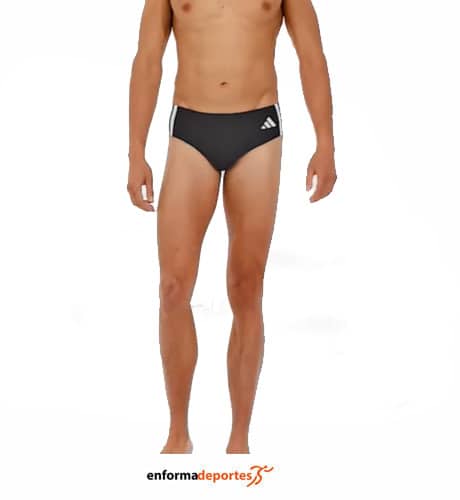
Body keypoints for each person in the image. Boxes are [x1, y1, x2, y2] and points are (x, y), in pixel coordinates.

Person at [127, 0, 337, 454]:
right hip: (190, 128)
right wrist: (136, 151)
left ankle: (239, 441)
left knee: (246, 288)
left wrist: (326, 143)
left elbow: (311, 54)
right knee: (172, 288)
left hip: (257, 128)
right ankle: (178, 435)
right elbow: (148, 59)